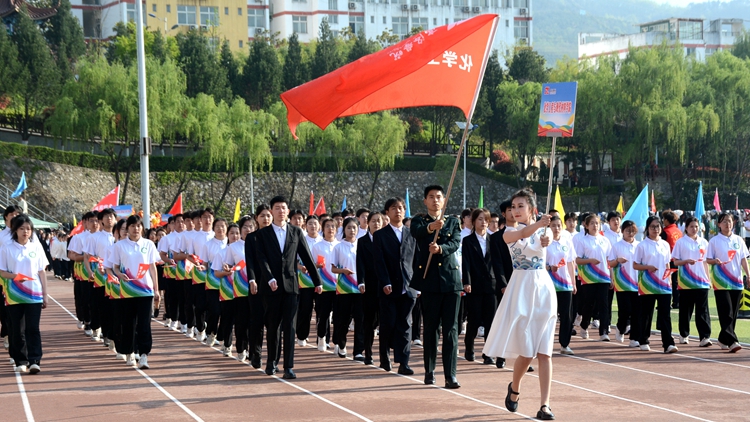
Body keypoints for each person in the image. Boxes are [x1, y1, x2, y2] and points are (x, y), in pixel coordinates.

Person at [482, 190, 556, 421]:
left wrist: (548, 236)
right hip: (521, 289)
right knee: (527, 352)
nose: (515, 210)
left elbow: (548, 241)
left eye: (520, 206)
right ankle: (515, 387)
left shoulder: (543, 230)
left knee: (545, 352)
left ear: (531, 209)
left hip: (543, 290)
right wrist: (541, 225)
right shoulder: (509, 232)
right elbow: (524, 233)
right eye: (513, 206)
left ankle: (545, 405)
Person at [254, 196, 323, 380]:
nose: (281, 211)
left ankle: (289, 367)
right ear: (271, 211)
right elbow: (262, 259)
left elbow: (306, 257)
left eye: (283, 208)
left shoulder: (296, 231)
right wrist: (269, 278)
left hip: (291, 286)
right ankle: (271, 362)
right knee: (273, 325)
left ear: (288, 211)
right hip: (271, 287)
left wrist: (317, 281)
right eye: (277, 208)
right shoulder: (263, 234)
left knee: (290, 327)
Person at [411, 185, 463, 389]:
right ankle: (430, 370)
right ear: (425, 201)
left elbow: (456, 243)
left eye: (439, 197)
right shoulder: (419, 220)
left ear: (444, 200)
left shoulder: (453, 221)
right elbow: (416, 232)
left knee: (451, 330)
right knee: (431, 328)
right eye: (431, 197)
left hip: (451, 281)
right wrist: (432, 227)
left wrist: (441, 248)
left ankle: (451, 375)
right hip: (430, 281)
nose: (435, 200)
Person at [108, 215, 161, 369]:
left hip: (145, 291)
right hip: (127, 290)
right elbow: (115, 267)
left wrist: (156, 289)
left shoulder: (149, 244)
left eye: (138, 226)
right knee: (128, 323)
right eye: (132, 226)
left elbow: (152, 267)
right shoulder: (119, 246)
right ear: (128, 228)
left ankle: (144, 355)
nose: (135, 229)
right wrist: (119, 274)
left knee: (144, 324)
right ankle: (130, 352)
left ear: (142, 228)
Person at [372, 197, 417, 376]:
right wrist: (385, 281)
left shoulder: (412, 234)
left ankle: (403, 362)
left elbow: (416, 260)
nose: (397, 211)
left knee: (405, 324)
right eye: (393, 208)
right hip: (388, 287)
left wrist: (417, 285)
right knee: (388, 323)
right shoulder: (380, 235)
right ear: (387, 212)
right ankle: (385, 357)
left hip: (408, 286)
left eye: (400, 208)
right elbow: (379, 262)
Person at [0, 214, 48, 374]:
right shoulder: (7, 248)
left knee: (33, 328)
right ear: (15, 230)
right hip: (14, 294)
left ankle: (35, 360)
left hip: (34, 293)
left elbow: (41, 272)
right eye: (22, 228)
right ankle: (21, 360)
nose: (25, 231)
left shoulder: (36, 247)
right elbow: (2, 271)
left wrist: (45, 294)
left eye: (28, 229)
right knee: (17, 329)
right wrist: (16, 276)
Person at [462, 208, 505, 364]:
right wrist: (466, 282)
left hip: (491, 285)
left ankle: (488, 353)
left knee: (490, 321)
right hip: (474, 286)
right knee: (474, 319)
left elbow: (498, 263)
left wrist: (502, 283)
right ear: (474, 221)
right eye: (480, 219)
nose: (484, 222)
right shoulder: (468, 241)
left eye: (486, 220)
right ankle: (469, 347)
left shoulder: (493, 240)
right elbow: (466, 263)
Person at [706, 212, 750, 352]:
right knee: (726, 312)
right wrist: (715, 261)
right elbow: (708, 259)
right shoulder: (714, 241)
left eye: (729, 221)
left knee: (733, 313)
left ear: (733, 223)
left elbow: (743, 259)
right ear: (719, 224)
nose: (727, 224)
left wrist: (748, 275)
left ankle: (722, 339)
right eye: (724, 221)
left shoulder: (739, 240)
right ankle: (732, 341)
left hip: (737, 280)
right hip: (721, 281)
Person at [633, 215, 677, 353]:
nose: (655, 229)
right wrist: (648, 267)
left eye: (657, 226)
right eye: (652, 227)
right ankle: (643, 339)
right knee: (646, 314)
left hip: (664, 284)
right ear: (647, 228)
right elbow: (635, 265)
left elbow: (667, 263)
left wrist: (669, 278)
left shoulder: (665, 244)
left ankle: (668, 343)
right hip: (647, 284)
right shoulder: (642, 245)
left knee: (665, 315)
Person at [672, 216, 712, 347]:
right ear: (686, 228)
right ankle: (684, 334)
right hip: (686, 282)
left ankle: (704, 337)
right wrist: (686, 261)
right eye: (691, 227)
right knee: (686, 310)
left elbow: (706, 262)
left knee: (702, 310)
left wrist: (708, 279)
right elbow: (675, 261)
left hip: (702, 281)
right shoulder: (681, 242)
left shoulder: (704, 242)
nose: (694, 229)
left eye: (696, 226)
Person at [331, 217, 366, 360]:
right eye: (349, 228)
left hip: (360, 288)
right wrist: (343, 271)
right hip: (344, 289)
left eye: (354, 228)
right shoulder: (338, 247)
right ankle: (341, 344)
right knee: (343, 319)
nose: (352, 231)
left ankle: (358, 351)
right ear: (344, 229)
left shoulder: (362, 245)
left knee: (360, 320)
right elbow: (333, 269)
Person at [575, 214, 613, 341]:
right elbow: (577, 260)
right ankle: (584, 325)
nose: (595, 226)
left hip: (604, 276)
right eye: (592, 223)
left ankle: (604, 332)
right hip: (588, 277)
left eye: (597, 223)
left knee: (603, 304)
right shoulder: (583, 241)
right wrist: (590, 260)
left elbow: (609, 260)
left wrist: (612, 277)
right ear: (586, 226)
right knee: (589, 304)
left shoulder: (605, 240)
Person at [546, 215, 577, 355]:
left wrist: (573, 283)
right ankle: (544, 343)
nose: (556, 228)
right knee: (548, 315)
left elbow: (570, 263)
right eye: (553, 225)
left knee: (567, 316)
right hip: (549, 284)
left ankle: (565, 344)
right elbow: (539, 262)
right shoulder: (545, 243)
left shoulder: (567, 241)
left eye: (558, 225)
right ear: (549, 227)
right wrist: (549, 267)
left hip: (565, 284)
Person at [245, 205, 271, 368]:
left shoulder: (277, 236)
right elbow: (250, 262)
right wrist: (252, 280)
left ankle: (272, 357)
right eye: (262, 216)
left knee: (273, 322)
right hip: (257, 284)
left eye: (268, 215)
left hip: (274, 285)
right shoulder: (251, 238)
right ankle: (256, 352)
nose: (266, 219)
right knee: (257, 320)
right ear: (257, 218)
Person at [356, 211, 384, 365]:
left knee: (385, 321)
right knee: (369, 321)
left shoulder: (387, 239)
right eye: (373, 221)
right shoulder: (362, 241)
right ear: (368, 223)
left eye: (379, 221)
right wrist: (361, 281)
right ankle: (368, 353)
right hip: (369, 287)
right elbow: (359, 263)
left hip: (385, 285)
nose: (376, 223)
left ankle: (384, 355)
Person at [607, 220, 641, 346]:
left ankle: (634, 338)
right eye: (627, 231)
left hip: (638, 283)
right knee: (625, 310)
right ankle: (620, 328)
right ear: (622, 231)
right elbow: (610, 264)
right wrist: (617, 260)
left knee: (636, 312)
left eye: (632, 231)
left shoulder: (639, 245)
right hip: (622, 283)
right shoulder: (617, 246)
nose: (630, 233)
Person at [311, 217, 339, 352]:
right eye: (327, 226)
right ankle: (322, 337)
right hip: (324, 286)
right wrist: (316, 266)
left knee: (339, 316)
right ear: (323, 229)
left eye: (333, 226)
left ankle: (338, 342)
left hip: (340, 286)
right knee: (323, 314)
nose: (330, 229)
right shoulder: (317, 247)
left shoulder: (340, 245)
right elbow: (311, 266)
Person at [201, 219, 229, 348]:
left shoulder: (230, 244)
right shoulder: (208, 245)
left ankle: (221, 335)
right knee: (215, 310)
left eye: (222, 226)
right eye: (217, 226)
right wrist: (201, 267)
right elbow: (205, 263)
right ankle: (211, 332)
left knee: (225, 312)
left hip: (228, 283)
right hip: (212, 282)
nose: (220, 229)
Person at [296, 215, 322, 347]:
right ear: (305, 226)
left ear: (319, 226)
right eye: (310, 224)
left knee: (321, 309)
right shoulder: (301, 240)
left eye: (315, 223)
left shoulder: (323, 241)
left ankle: (322, 337)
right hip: (304, 280)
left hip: (322, 280)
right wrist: (300, 267)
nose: (313, 226)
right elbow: (294, 260)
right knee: (305, 308)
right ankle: (302, 335)